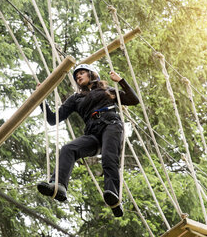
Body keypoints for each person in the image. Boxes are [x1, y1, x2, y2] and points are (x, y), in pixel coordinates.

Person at [36, 64, 139, 217]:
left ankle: (114, 197)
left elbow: (133, 100)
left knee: (109, 158)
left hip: (111, 125)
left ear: (92, 74)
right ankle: (59, 186)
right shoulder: (75, 99)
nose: (78, 77)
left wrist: (121, 81)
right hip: (93, 132)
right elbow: (53, 119)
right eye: (77, 76)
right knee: (68, 149)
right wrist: (41, 99)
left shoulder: (107, 91)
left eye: (82, 73)